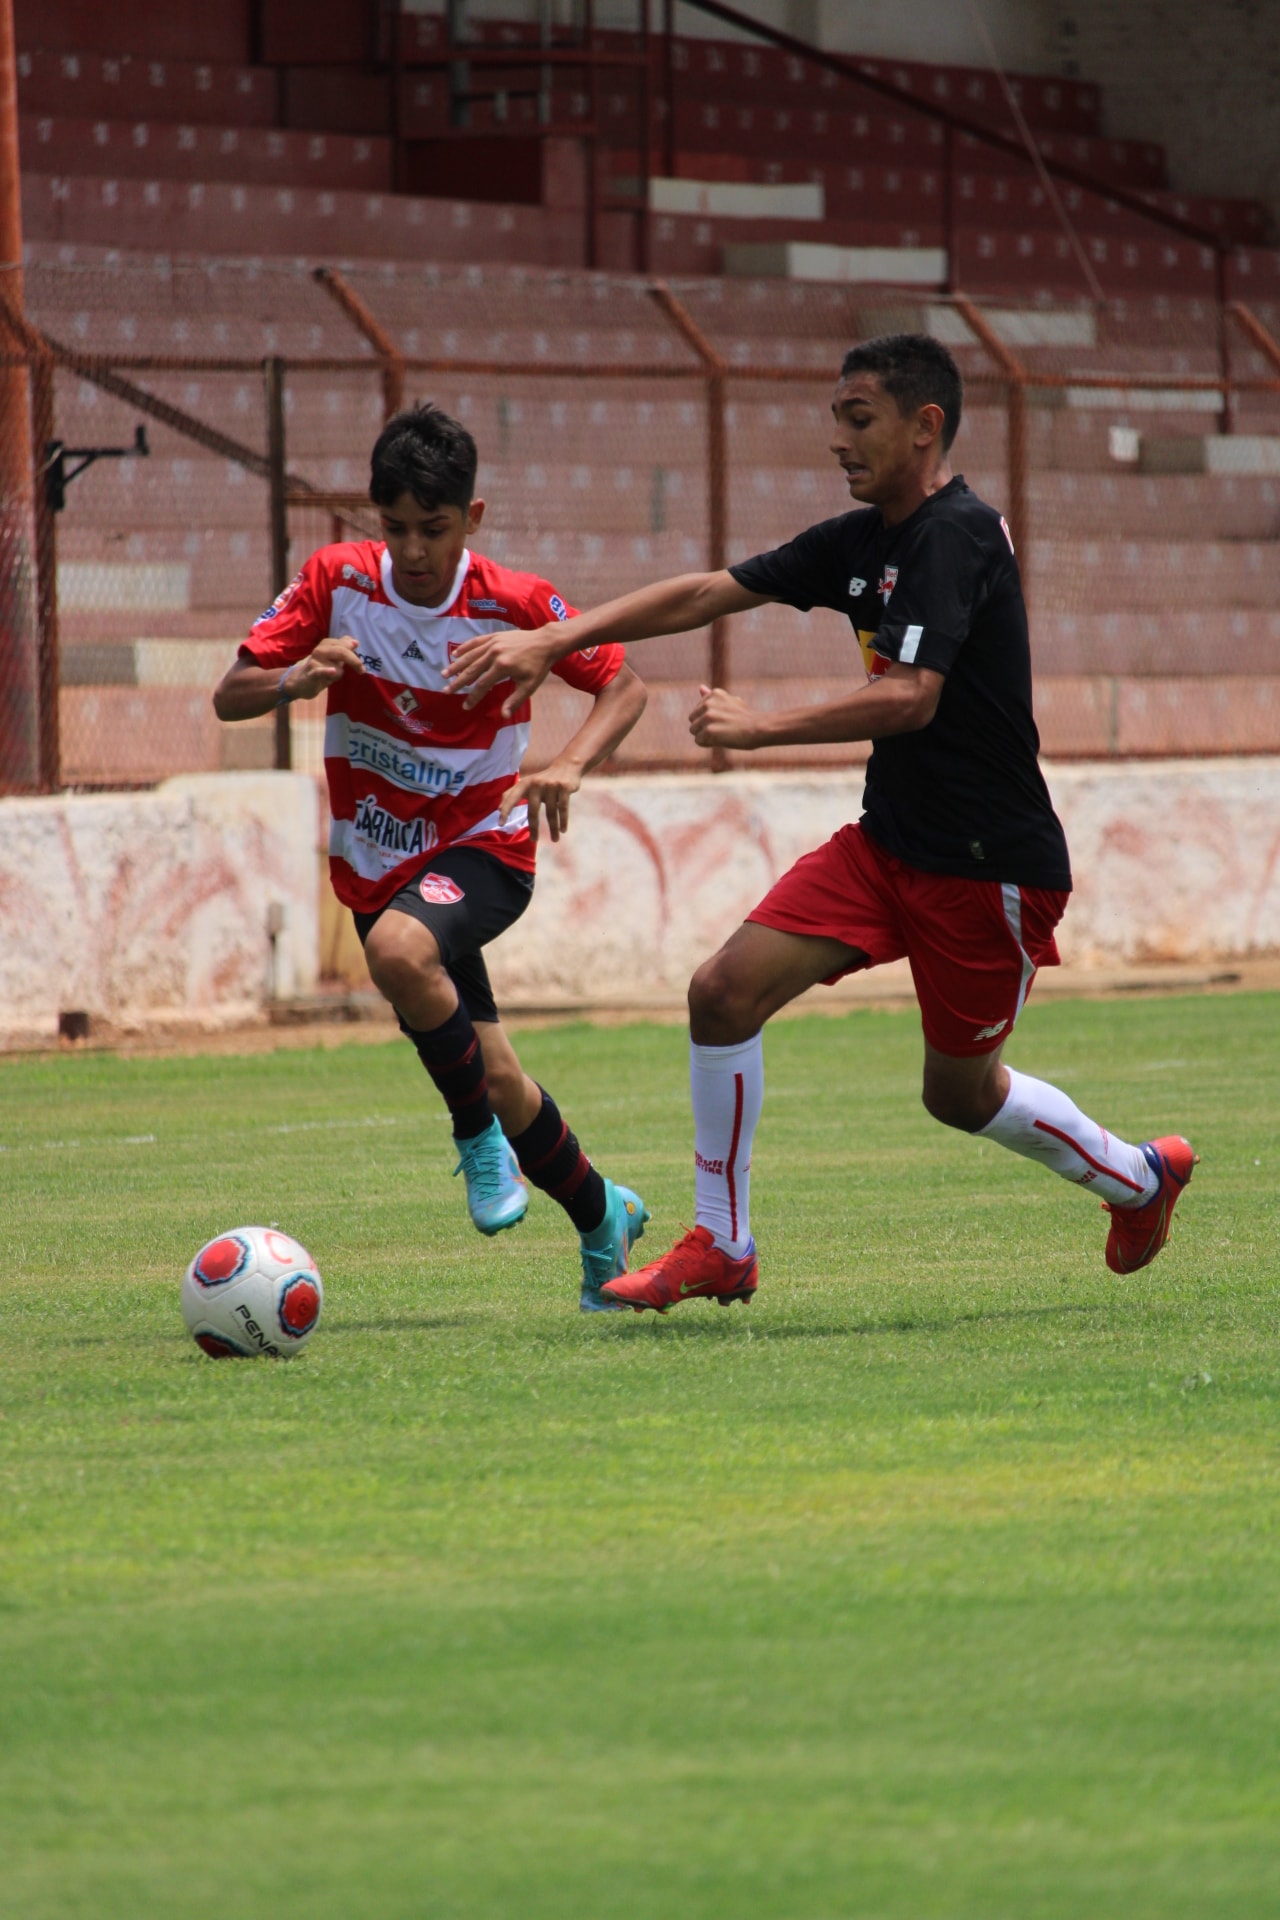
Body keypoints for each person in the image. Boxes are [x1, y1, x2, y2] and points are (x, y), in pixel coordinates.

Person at [445, 333, 1196, 1313]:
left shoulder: (953, 535)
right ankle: (722, 1240)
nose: (836, 441)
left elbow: (909, 698)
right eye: (834, 420)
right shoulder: (862, 539)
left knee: (957, 1096)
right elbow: (712, 590)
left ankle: (1139, 1179)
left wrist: (759, 730)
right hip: (887, 847)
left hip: (987, 869)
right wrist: (556, 634)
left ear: (923, 426)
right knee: (719, 994)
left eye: (858, 420)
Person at [213, 402, 651, 1311]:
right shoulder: (335, 584)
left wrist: (568, 763)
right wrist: (298, 678)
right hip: (380, 858)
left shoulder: (515, 603)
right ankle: (604, 1215)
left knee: (398, 955)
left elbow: (624, 683)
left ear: (473, 520)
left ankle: (475, 1143)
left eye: (434, 529)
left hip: (487, 844)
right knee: (496, 1072)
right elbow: (232, 694)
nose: (413, 550)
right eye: (396, 528)